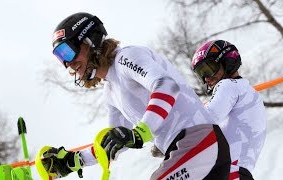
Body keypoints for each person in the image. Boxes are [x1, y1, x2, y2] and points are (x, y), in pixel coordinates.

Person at [41, 12, 232, 180]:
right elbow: (114, 143)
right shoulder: (111, 92)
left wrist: (140, 132)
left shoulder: (126, 58)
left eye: (66, 51)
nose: (68, 63)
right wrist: (74, 161)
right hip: (185, 150)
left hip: (200, 142)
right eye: (60, 58)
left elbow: (166, 86)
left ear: (90, 41)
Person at [191, 40, 267, 180]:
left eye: (209, 68)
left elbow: (204, 122)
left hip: (225, 173)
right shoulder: (250, 95)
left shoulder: (227, 86)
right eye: (201, 73)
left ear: (228, 62)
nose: (206, 77)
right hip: (239, 173)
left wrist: (169, 135)